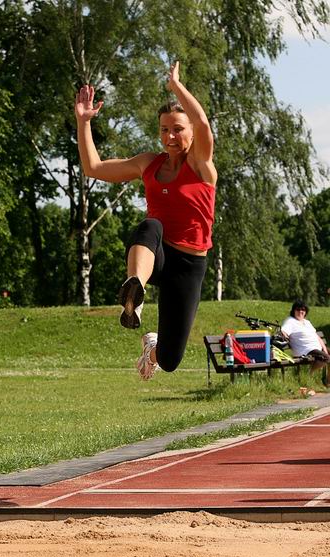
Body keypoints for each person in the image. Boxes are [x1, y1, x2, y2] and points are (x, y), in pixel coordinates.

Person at [75, 62, 217, 380]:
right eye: (164, 129)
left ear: (191, 133)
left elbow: (203, 122)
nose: (170, 136)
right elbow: (93, 168)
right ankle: (135, 290)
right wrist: (83, 122)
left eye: (177, 129)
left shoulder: (200, 164)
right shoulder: (148, 164)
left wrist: (176, 86)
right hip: (158, 254)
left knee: (170, 359)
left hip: (189, 266)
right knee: (150, 225)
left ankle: (152, 348)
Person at [281, 299, 330, 385]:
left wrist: (325, 349)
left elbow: (317, 336)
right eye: (298, 309)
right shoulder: (290, 321)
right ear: (293, 311)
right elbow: (283, 331)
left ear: (306, 311)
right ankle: (307, 375)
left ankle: (328, 381)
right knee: (326, 358)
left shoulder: (307, 322)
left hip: (316, 348)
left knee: (326, 355)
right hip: (305, 350)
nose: (300, 311)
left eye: (303, 309)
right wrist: (285, 337)